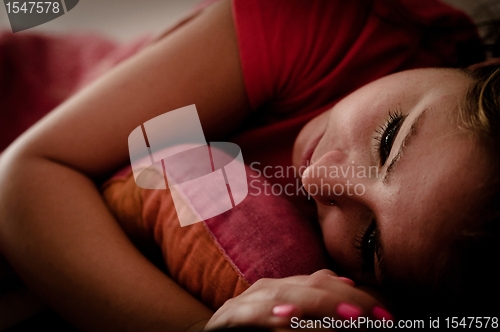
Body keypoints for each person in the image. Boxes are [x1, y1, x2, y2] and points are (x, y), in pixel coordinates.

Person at [0, 0, 496, 330]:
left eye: (370, 242)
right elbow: (24, 172)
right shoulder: (334, 20)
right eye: (389, 139)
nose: (319, 177)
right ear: (481, 71)